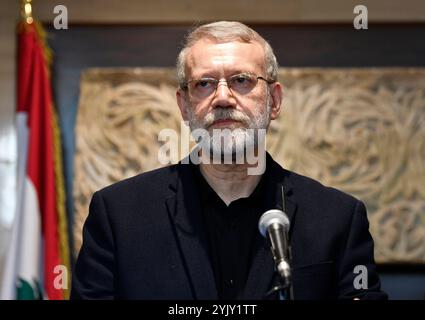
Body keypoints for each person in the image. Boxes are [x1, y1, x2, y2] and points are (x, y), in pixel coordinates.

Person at [71, 21, 387, 300]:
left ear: (274, 101)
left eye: (241, 80)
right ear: (184, 106)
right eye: (204, 84)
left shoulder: (338, 218)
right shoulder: (118, 215)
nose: (222, 98)